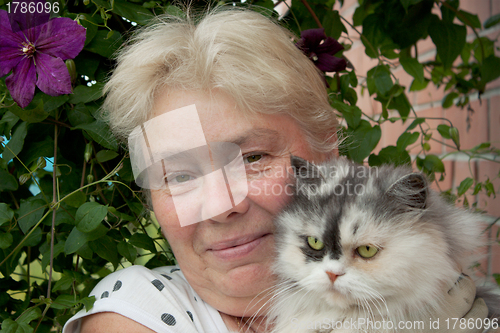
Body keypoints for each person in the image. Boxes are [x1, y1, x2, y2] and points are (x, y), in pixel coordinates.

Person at [62, 6, 493, 333]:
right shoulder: (137, 312)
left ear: (328, 152)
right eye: (180, 176)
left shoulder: (420, 276)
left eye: (253, 158)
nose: (221, 207)